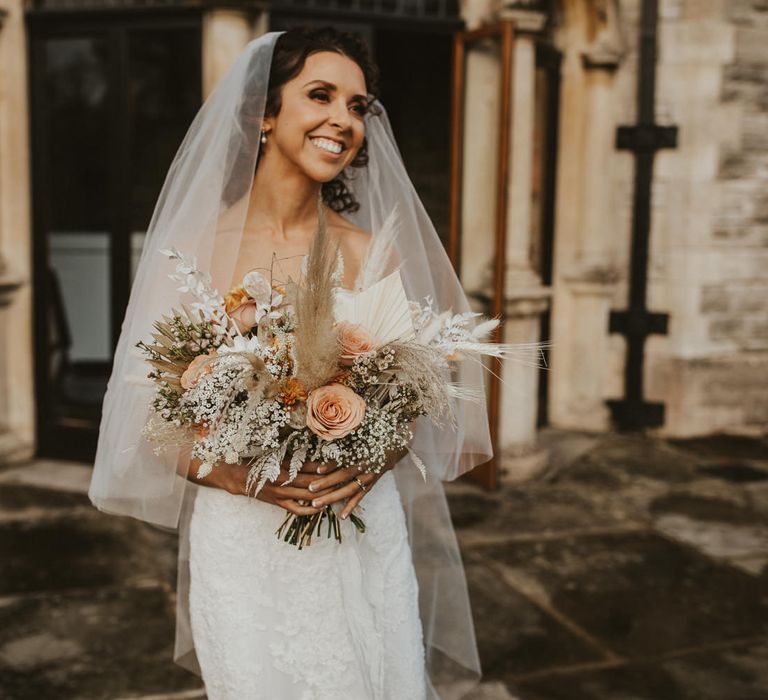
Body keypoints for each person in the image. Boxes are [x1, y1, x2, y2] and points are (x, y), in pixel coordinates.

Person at [89, 26, 494, 700]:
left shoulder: (369, 251)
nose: (344, 119)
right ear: (265, 114)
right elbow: (150, 421)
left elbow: (416, 399)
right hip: (246, 543)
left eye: (358, 106)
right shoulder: (192, 252)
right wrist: (242, 477)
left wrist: (374, 453)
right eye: (321, 95)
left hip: (360, 526)